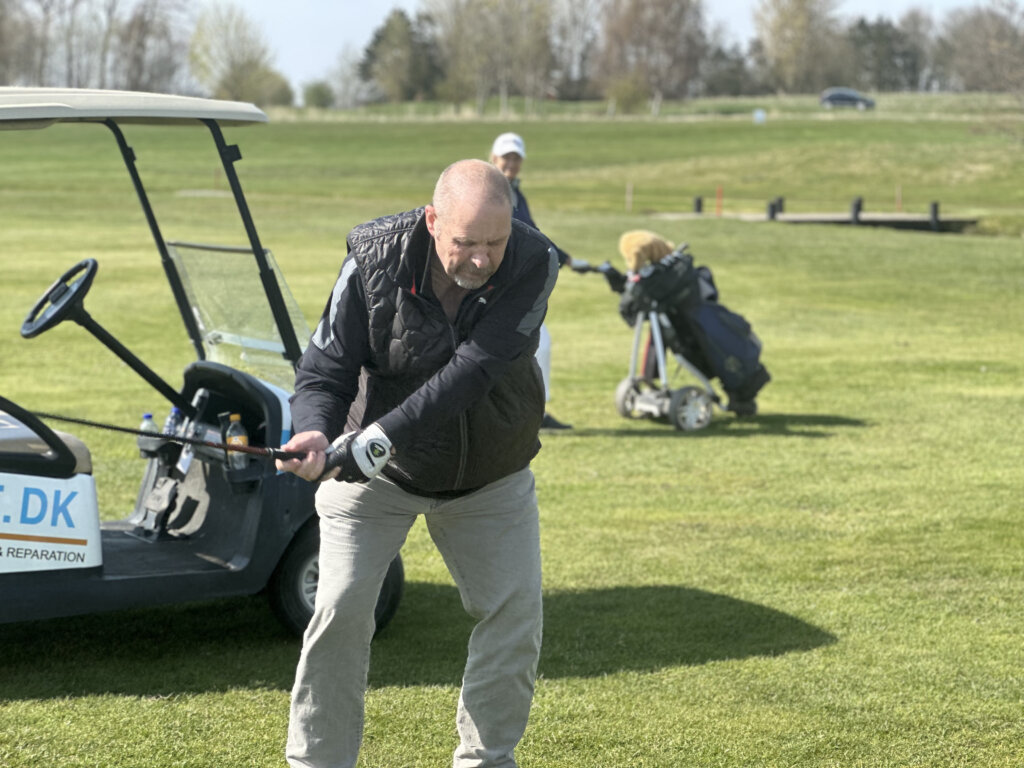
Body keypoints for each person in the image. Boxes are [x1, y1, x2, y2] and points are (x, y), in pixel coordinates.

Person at [276, 159, 556, 768]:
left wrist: (371, 442)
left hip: (491, 473)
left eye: (495, 242)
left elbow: (472, 372)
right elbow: (324, 370)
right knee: (340, 605)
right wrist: (315, 434)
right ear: (432, 222)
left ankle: (486, 760)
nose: (483, 260)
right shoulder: (373, 260)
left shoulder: (534, 261)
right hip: (377, 480)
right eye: (466, 243)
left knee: (513, 615)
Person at [490, 131, 575, 431]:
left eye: (516, 158)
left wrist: (566, 258)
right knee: (538, 342)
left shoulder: (516, 193)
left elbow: (534, 234)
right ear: (494, 159)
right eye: (506, 157)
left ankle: (532, 412)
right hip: (496, 285)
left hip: (515, 284)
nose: (511, 163)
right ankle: (530, 413)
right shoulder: (491, 191)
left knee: (538, 344)